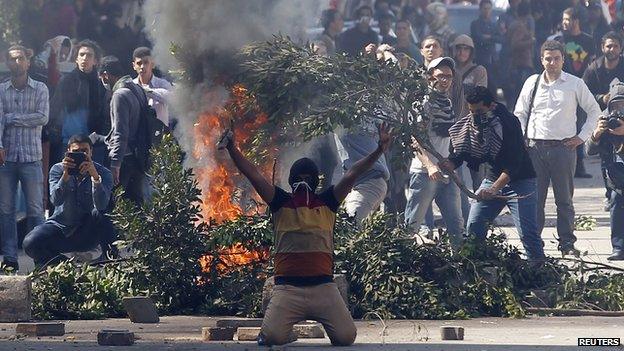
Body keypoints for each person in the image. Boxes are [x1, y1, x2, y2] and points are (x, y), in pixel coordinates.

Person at [221, 123, 392, 347]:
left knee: (346, 337)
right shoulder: (279, 202)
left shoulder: (328, 202)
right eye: (299, 177)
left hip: (324, 288)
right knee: (272, 338)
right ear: (291, 182)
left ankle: (290, 327)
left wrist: (379, 150)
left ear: (315, 181)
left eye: (308, 177)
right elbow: (253, 174)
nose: (304, 181)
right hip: (287, 289)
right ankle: (285, 330)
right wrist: (233, 148)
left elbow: (353, 173)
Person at [514, 40, 601, 256]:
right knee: (534, 201)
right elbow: (520, 113)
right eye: (548, 58)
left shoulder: (574, 84)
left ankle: (567, 243)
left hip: (564, 149)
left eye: (556, 58)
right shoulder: (532, 82)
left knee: (564, 200)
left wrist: (581, 137)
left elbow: (594, 111)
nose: (552, 63)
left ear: (563, 59)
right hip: (534, 149)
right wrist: (522, 138)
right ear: (541, 60)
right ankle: (533, 245)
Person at [442, 86, 545, 262]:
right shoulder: (472, 123)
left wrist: (495, 189)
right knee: (474, 227)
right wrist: (450, 163)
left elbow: (514, 163)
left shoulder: (508, 122)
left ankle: (540, 273)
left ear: (491, 106)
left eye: (479, 110)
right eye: (471, 111)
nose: (475, 115)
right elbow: (463, 151)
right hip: (493, 177)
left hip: (520, 180)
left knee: (528, 234)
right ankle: (479, 269)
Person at [22, 134, 115, 267]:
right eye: (76, 152)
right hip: (62, 227)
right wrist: (65, 175)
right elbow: (55, 200)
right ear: (68, 152)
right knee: (31, 242)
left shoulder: (103, 173)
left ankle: (110, 259)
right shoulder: (57, 169)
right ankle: (65, 265)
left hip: (88, 232)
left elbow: (101, 206)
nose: (81, 154)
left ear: (91, 152)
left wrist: (94, 177)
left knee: (103, 212)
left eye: (84, 151)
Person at [404, 57, 464, 251]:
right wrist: (429, 165)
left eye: (448, 76)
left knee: (456, 224)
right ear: (430, 78)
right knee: (413, 224)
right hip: (424, 172)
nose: (444, 80)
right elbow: (415, 139)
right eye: (440, 76)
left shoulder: (446, 101)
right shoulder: (423, 103)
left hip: (446, 170)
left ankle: (462, 263)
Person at [0, 45, 49, 270]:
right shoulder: (1, 90)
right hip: (7, 159)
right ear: (7, 62)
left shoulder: (40, 89)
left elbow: (42, 117)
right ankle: (10, 258)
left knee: (36, 210)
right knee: (6, 210)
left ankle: (39, 256)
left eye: (20, 58)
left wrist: (12, 118)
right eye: (12, 59)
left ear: (28, 62)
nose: (16, 63)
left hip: (31, 157)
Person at [49, 39, 109, 166]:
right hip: (69, 142)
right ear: (76, 59)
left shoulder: (101, 85)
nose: (84, 58)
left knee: (93, 182)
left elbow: (105, 114)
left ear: (95, 61)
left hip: (94, 144)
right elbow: (54, 109)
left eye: (89, 55)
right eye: (81, 55)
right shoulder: (66, 81)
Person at [99, 56, 148, 205]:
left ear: (106, 75)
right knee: (136, 204)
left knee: (116, 206)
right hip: (138, 155)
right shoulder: (137, 88)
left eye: (102, 77)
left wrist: (115, 164)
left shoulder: (119, 95)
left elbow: (120, 132)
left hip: (124, 159)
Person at [587, 82, 624, 261]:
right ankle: (618, 248)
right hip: (616, 178)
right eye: (615, 106)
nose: (619, 111)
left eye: (623, 106)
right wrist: (596, 134)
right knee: (616, 205)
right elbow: (589, 151)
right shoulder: (605, 121)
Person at [560, 7, 597, 178]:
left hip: (582, 87)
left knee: (580, 125)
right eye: (563, 19)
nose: (564, 23)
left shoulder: (588, 41)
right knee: (564, 125)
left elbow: (591, 64)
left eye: (567, 19)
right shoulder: (560, 40)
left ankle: (579, 165)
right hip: (563, 87)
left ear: (576, 21)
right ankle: (565, 164)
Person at [132, 47, 174, 127]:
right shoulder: (132, 85)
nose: (142, 66)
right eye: (139, 63)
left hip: (161, 135)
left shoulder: (163, 84)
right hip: (139, 135)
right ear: (134, 66)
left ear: (153, 64)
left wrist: (143, 90)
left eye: (146, 62)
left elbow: (171, 99)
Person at [582, 32, 624, 111]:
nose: (612, 50)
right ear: (602, 48)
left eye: (616, 46)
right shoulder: (592, 70)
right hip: (598, 113)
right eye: (609, 46)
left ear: (621, 48)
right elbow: (582, 93)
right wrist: (602, 98)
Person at [506, 1, 535, 111]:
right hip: (521, 64)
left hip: (517, 64)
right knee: (521, 96)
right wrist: (531, 42)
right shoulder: (519, 26)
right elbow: (514, 44)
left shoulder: (515, 24)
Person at [471, 0, 500, 90]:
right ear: (480, 9)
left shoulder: (494, 25)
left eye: (489, 8)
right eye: (485, 8)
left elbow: (501, 38)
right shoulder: (475, 24)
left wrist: (489, 37)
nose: (487, 11)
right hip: (480, 59)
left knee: (493, 88)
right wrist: (491, 37)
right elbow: (478, 38)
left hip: (493, 60)